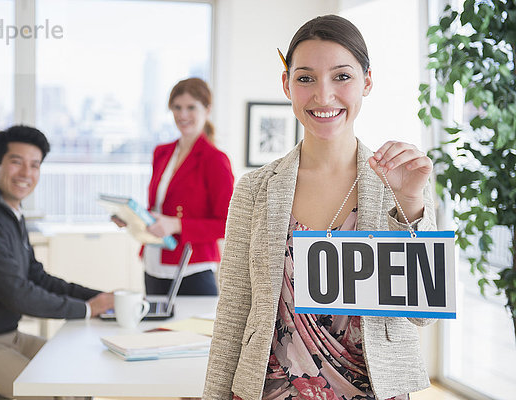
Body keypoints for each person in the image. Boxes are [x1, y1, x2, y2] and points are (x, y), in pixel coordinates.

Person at [203, 15, 437, 400]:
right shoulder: (255, 189)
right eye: (306, 78)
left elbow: (423, 314)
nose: (324, 96)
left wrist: (410, 204)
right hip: (272, 390)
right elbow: (232, 314)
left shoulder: (402, 181)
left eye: (342, 77)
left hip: (374, 391)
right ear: (287, 84)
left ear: (368, 81)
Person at [0, 125, 114, 399]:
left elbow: (37, 277)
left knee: (78, 375)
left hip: (6, 336)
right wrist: (86, 309)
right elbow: (18, 294)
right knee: (48, 393)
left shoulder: (10, 212)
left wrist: (97, 297)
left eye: (35, 165)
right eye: (17, 162)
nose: (26, 173)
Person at [114, 78, 234, 296]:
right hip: (154, 262)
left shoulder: (215, 159)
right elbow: (160, 209)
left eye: (191, 107)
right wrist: (133, 218)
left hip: (192, 267)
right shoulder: (162, 152)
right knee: (155, 329)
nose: (183, 115)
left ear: (207, 110)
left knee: (191, 331)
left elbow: (227, 224)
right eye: (177, 107)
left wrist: (177, 225)